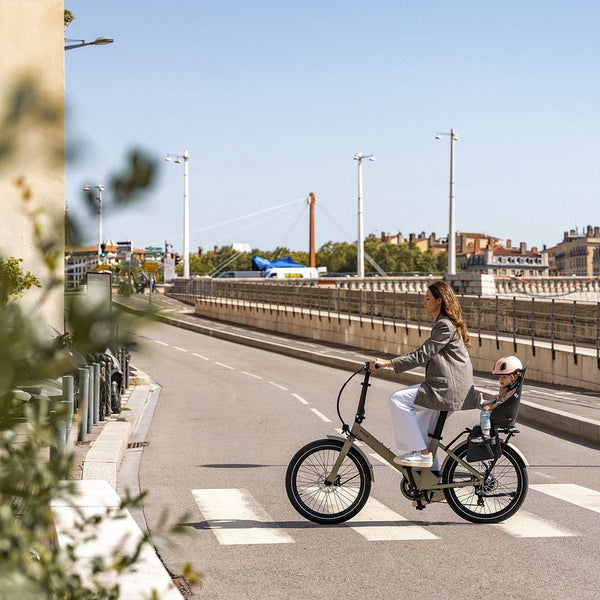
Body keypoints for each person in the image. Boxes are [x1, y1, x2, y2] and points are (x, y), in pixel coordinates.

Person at [369, 281, 476, 469]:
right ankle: (432, 484)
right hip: (449, 387)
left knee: (398, 400)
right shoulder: (444, 322)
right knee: (421, 436)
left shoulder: (444, 325)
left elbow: (422, 354)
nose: (424, 302)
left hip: (447, 389)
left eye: (427, 298)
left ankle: (423, 455)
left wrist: (388, 363)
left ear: (439, 300)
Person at [472, 356, 523, 443]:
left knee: (485, 413)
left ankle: (485, 436)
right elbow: (502, 398)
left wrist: (492, 407)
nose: (500, 380)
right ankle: (483, 402)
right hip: (502, 410)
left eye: (504, 377)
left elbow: (503, 403)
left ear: (513, 377)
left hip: (503, 412)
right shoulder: (510, 387)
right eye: (499, 377)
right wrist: (497, 397)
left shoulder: (512, 390)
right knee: (492, 402)